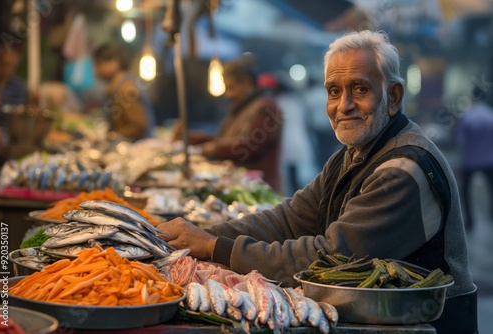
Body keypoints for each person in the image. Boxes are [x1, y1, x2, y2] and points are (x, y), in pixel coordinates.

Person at [160, 30, 477, 333]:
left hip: (430, 324)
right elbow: (289, 219)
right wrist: (201, 236)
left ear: (393, 97)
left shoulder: (403, 171)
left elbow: (331, 257)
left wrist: (216, 247)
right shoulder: (350, 155)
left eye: (360, 89)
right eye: (334, 91)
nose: (344, 105)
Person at [173, 56, 283, 191]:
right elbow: (225, 140)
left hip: (259, 190)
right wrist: (192, 138)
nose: (228, 95)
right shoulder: (243, 107)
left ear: (247, 83)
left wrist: (212, 148)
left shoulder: (267, 108)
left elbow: (248, 147)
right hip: (238, 186)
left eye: (231, 88)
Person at [93, 43, 155, 141]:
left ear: (114, 64)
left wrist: (111, 136)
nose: (95, 71)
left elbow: (139, 125)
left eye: (99, 64)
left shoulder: (126, 90)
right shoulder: (120, 87)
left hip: (138, 149)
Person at [456, 84, 493, 231]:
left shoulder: (467, 117)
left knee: (465, 192)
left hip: (470, 160)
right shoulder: (491, 115)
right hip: (490, 160)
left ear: (472, 97)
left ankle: (470, 221)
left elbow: (460, 142)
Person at [0, 45, 27, 145]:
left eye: (11, 65)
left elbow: (15, 117)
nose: (6, 69)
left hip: (5, 132)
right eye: (4, 64)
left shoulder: (18, 86)